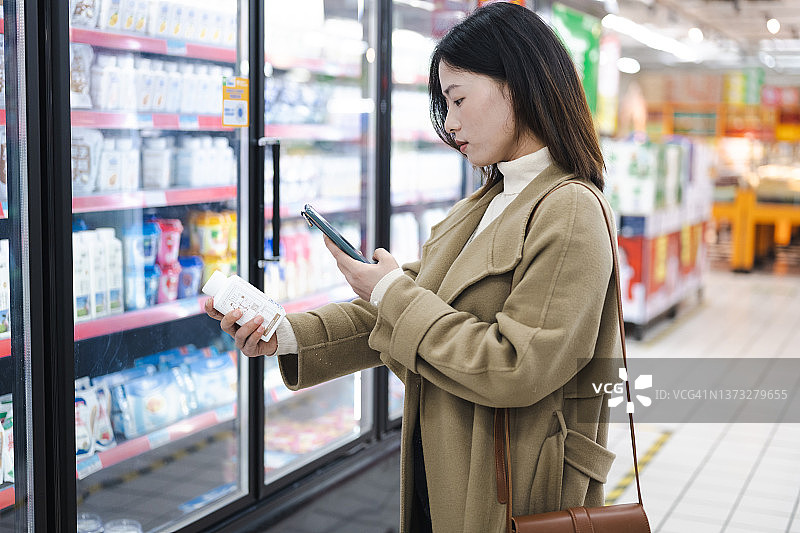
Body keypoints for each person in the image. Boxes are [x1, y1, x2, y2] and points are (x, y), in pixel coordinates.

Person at [205, 3, 621, 532]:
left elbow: (515, 366)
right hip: (446, 469)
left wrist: (390, 293)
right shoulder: (484, 202)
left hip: (510, 493)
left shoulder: (570, 209)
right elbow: (407, 314)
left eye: (459, 99)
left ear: (517, 85)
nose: (450, 123)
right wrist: (287, 334)